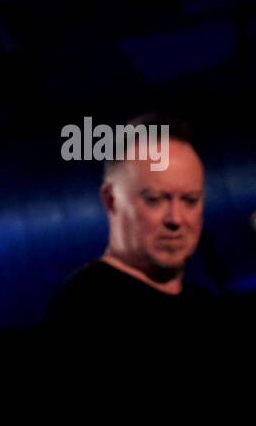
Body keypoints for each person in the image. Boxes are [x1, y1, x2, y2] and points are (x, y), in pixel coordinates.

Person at [45, 114, 212, 345]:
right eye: (155, 200)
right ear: (111, 199)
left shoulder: (206, 305)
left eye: (190, 200)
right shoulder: (84, 305)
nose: (175, 219)